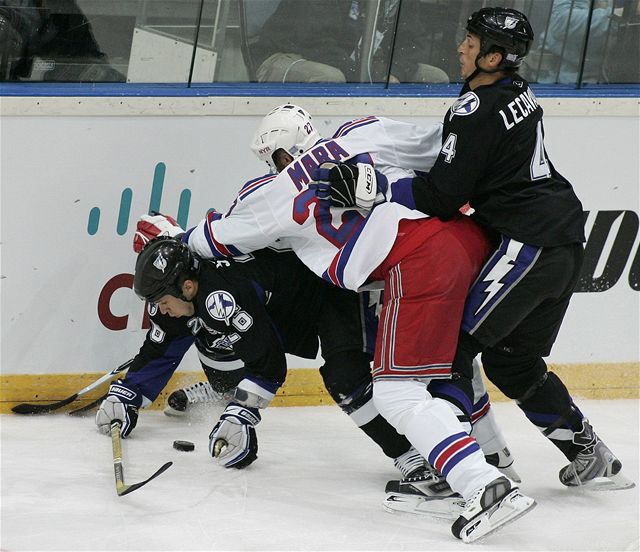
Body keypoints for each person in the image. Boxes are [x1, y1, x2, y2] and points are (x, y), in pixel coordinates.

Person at [136, 105, 535, 542]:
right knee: (446, 363)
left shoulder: (272, 194)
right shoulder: (361, 133)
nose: (274, 167)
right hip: (469, 234)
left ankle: (481, 483)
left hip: (415, 262)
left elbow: (214, 239)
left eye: (273, 158)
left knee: (398, 390)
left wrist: (171, 240)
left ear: (284, 155)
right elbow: (449, 152)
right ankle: (492, 465)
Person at [322, 8, 634, 492]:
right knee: (512, 362)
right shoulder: (518, 92)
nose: (460, 49)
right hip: (565, 240)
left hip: (530, 245)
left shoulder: (475, 108)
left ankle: (460, 474)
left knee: (453, 351)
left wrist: (376, 188)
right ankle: (589, 454)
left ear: (493, 56)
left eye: (471, 43)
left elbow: (443, 196)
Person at [248, 0, 447, 84]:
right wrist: (373, 77)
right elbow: (317, 43)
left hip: (357, 64)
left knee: (435, 78)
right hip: (286, 54)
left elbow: (411, 42)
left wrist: (395, 73)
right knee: (329, 79)